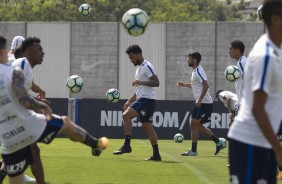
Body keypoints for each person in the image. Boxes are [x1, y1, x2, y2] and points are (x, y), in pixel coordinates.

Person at [0, 35, 108, 184]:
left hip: (7, 135)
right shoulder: (21, 66)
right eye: (40, 49)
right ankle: (96, 144)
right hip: (24, 124)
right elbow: (22, 99)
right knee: (65, 122)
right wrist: (41, 105)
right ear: (30, 52)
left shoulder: (16, 67)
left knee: (22, 169)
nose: (43, 53)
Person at [228, 0, 282, 183]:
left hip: (263, 142)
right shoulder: (265, 55)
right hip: (249, 142)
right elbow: (257, 108)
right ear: (275, 19)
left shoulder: (276, 51)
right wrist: (279, 149)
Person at [113, 44, 161, 161]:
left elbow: (156, 82)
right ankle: (156, 155)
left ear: (138, 54)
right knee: (147, 126)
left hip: (146, 100)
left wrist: (140, 81)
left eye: (132, 57)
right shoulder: (139, 68)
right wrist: (130, 100)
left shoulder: (147, 66)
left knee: (126, 116)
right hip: (144, 99)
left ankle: (127, 145)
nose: (131, 60)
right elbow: (139, 89)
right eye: (130, 58)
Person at [177, 52, 226, 156]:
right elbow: (196, 85)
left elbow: (206, 85)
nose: (188, 60)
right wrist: (184, 84)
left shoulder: (198, 71)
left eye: (189, 59)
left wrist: (199, 99)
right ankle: (218, 142)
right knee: (196, 125)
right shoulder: (195, 71)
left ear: (194, 60)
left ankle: (194, 151)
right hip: (202, 102)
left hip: (204, 103)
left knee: (194, 124)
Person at [228, 40, 247, 106]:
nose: (229, 52)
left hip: (244, 103)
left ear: (237, 50)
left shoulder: (242, 63)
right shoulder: (242, 62)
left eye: (231, 49)